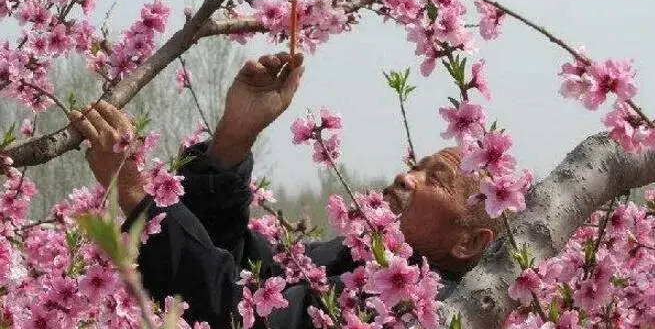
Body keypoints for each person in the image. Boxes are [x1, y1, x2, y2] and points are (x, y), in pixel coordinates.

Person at [69, 52, 500, 328]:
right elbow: (241, 272)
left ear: (467, 242)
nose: (407, 177)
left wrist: (136, 196)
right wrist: (232, 141)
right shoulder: (350, 259)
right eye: (416, 167)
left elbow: (234, 312)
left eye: (437, 179)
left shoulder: (413, 309)